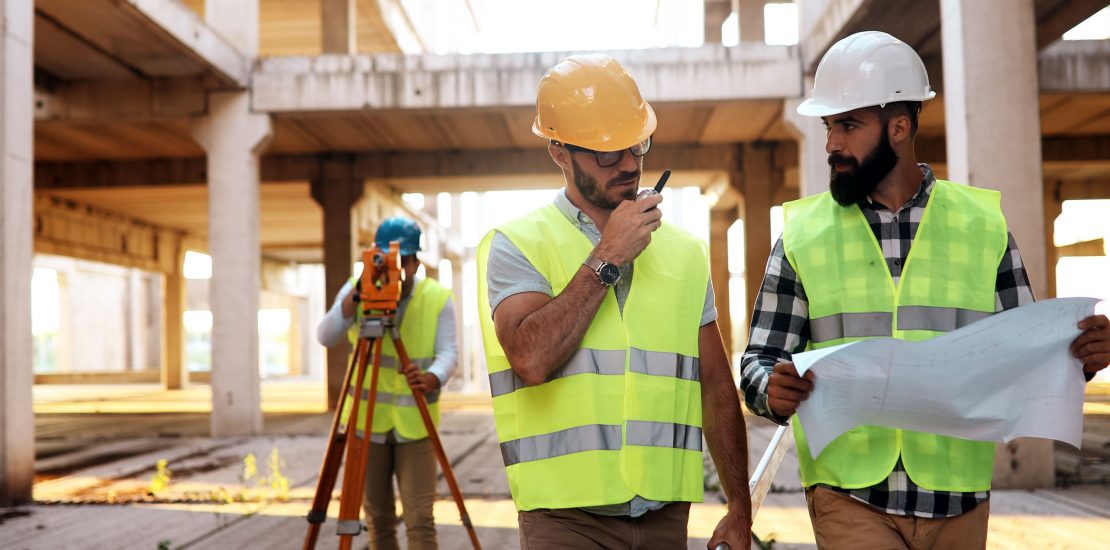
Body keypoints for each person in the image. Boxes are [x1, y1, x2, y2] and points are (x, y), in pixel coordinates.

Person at [739, 31, 1110, 549]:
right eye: (828, 127)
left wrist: (1082, 357)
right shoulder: (803, 234)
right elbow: (759, 358)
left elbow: (1026, 355)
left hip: (957, 494)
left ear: (899, 126)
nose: (832, 144)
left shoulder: (981, 225)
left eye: (847, 125)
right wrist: (769, 390)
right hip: (848, 493)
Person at [476, 54, 752, 550]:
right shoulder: (518, 244)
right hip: (566, 520)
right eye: (606, 154)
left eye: (636, 145)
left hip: (665, 513)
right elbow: (531, 358)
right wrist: (607, 257)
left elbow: (714, 385)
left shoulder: (685, 253)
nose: (627, 163)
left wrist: (739, 507)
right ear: (560, 152)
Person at [317, 216, 457, 550]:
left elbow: (449, 351)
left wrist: (433, 376)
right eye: (389, 259)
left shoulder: (437, 297)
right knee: (377, 519)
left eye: (402, 261)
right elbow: (326, 335)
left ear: (415, 261)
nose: (396, 268)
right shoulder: (357, 288)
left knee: (420, 519)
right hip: (367, 426)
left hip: (416, 425)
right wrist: (357, 296)